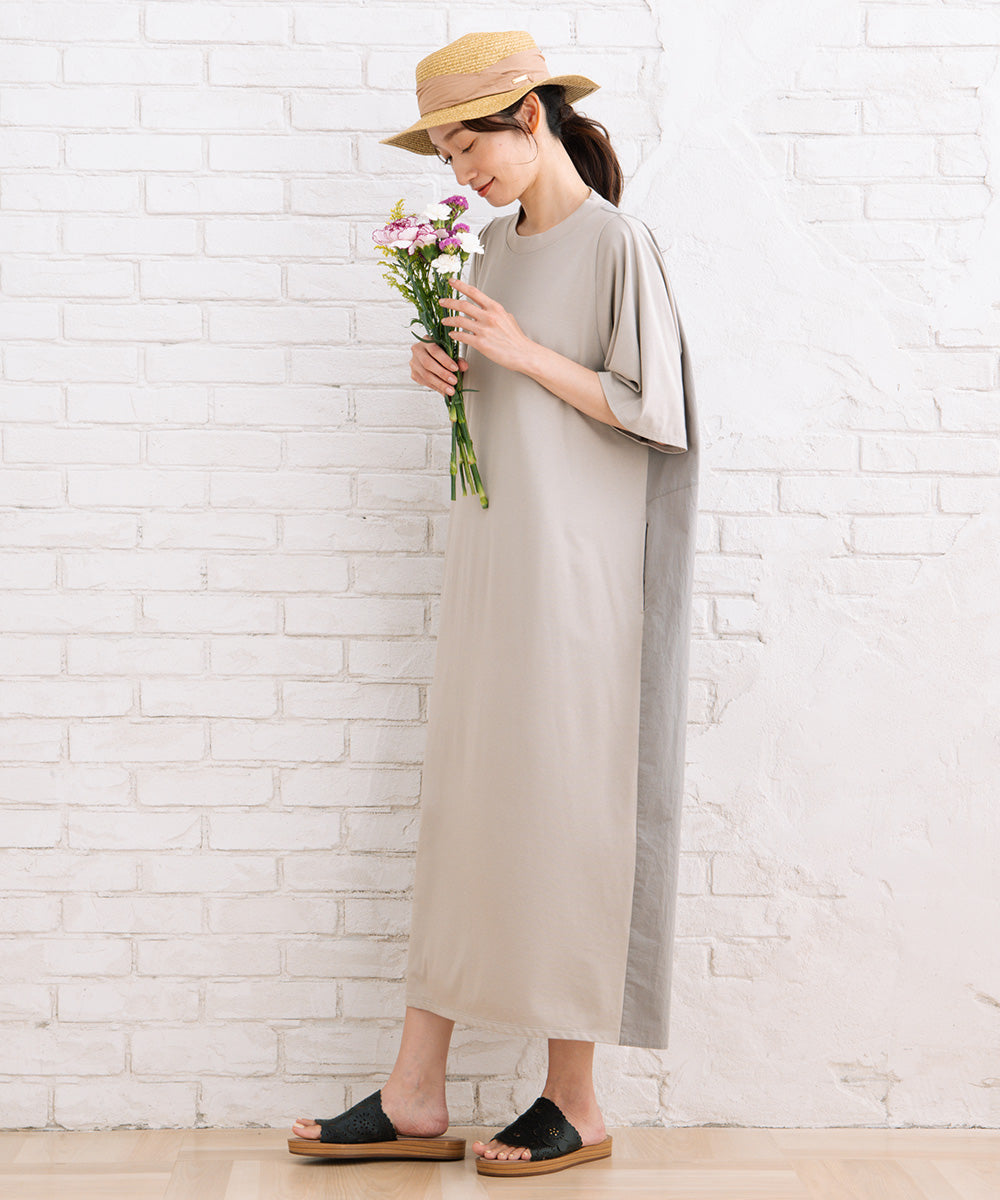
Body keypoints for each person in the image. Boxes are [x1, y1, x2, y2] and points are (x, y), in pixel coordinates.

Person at [287, 30, 700, 1178]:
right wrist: (449, 375)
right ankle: (415, 1090)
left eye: (471, 146)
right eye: (446, 157)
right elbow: (504, 403)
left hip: (579, 575)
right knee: (469, 801)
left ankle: (576, 1099)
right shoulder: (486, 252)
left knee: (568, 808)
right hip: (492, 558)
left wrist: (516, 352)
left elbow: (652, 406)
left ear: (530, 114)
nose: (462, 173)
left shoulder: (616, 243)